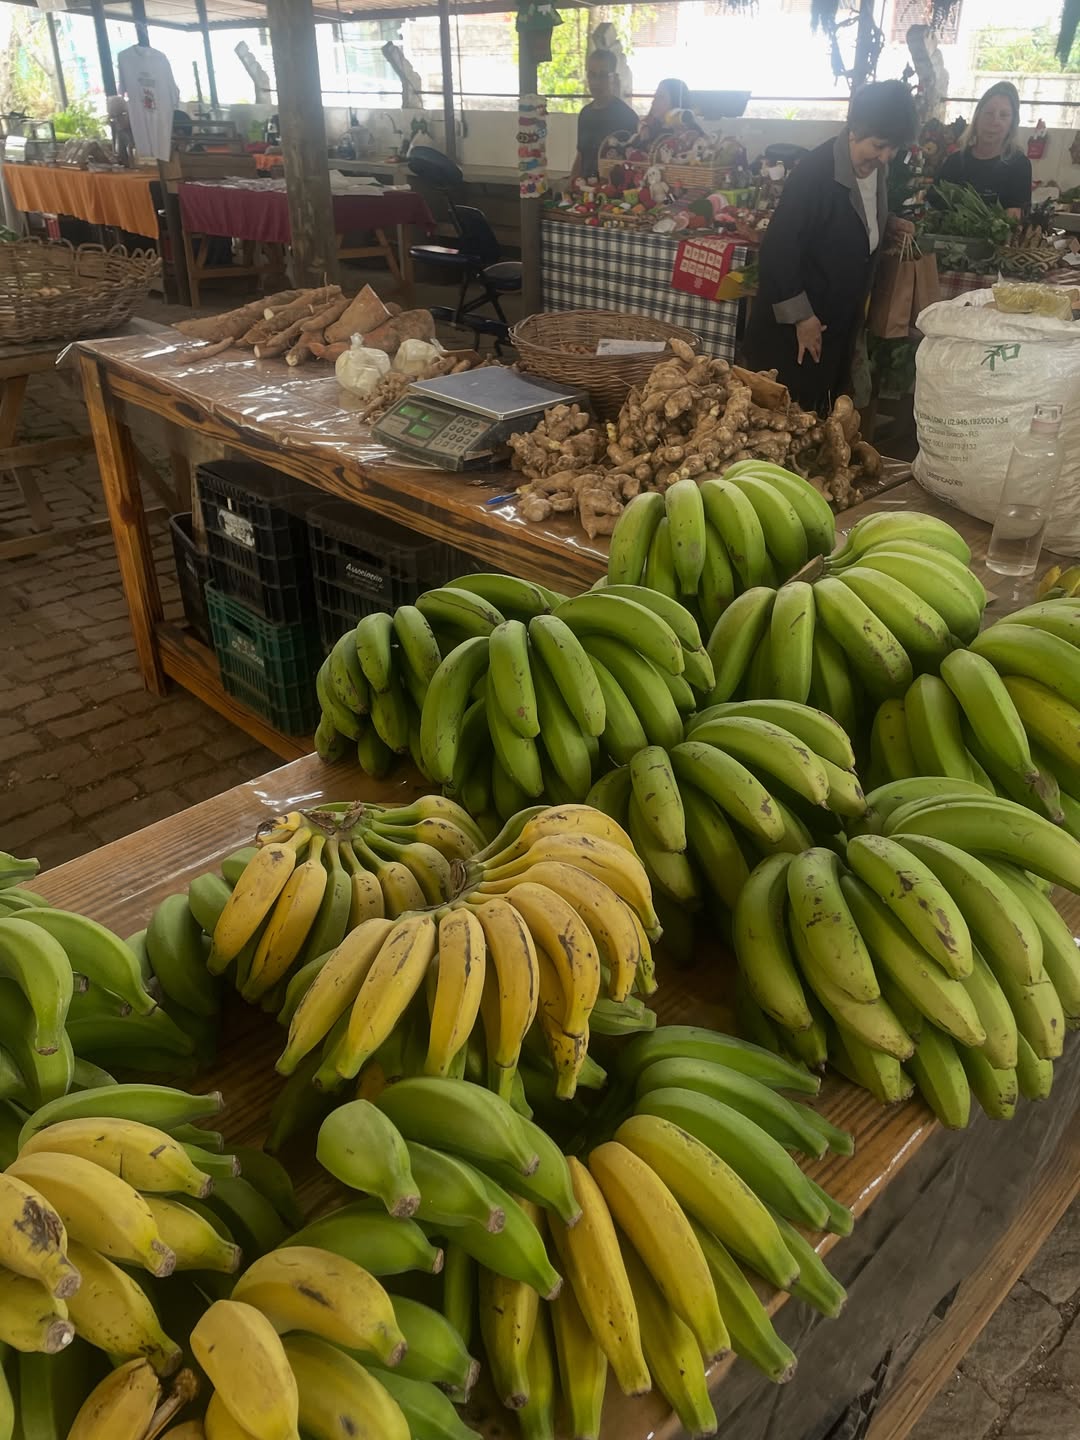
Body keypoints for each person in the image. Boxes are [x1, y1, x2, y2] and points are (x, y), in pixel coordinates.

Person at [743, 79, 918, 412]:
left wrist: (885, 224)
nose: (885, 156)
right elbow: (779, 250)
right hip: (795, 334)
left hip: (837, 325)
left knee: (821, 416)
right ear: (855, 128)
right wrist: (802, 318)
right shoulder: (815, 173)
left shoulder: (875, 170)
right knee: (787, 419)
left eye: (892, 148)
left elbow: (851, 217)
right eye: (879, 145)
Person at [934, 81, 1032, 217]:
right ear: (977, 117)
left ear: (1012, 123)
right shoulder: (955, 162)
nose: (994, 121)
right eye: (989, 113)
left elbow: (1014, 218)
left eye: (1003, 115)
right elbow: (934, 209)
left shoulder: (1019, 165)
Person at [571, 50, 637, 185]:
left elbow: (635, 163)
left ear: (614, 78)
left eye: (603, 75)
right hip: (583, 190)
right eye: (592, 75)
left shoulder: (626, 116)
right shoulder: (585, 114)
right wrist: (570, 183)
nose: (596, 82)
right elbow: (581, 154)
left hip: (613, 196)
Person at [638, 78, 700, 145]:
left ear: (675, 101)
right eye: (655, 97)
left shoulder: (691, 137)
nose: (653, 102)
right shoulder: (649, 129)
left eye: (660, 97)